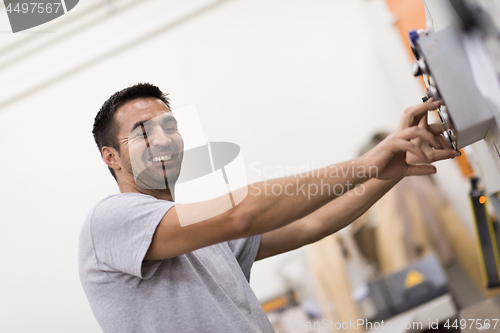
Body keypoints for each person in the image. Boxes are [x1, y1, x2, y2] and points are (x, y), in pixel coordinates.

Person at [78, 83, 459, 333]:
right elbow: (243, 212)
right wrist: (368, 162)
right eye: (143, 132)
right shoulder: (111, 219)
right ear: (111, 156)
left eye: (170, 126)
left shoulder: (199, 231)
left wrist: (387, 173)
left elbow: (311, 224)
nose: (163, 139)